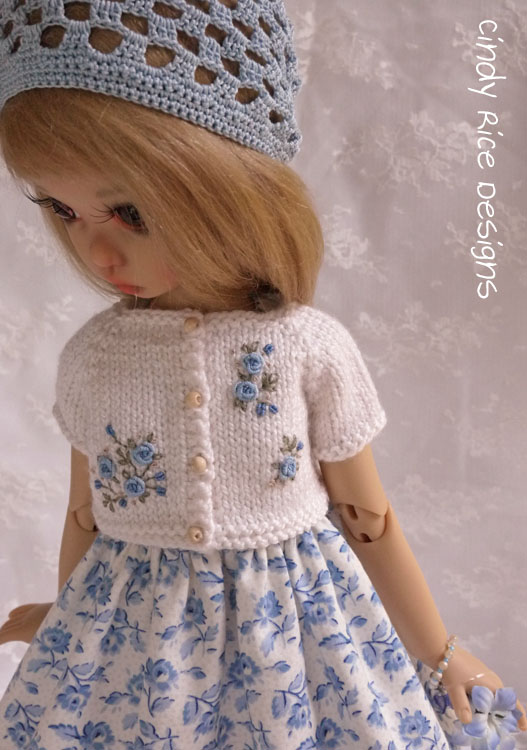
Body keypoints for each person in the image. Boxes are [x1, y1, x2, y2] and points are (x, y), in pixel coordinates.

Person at [0, 1, 525, 747]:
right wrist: (70, 614)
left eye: (130, 213)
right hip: (138, 650)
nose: (99, 255)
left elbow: (367, 520)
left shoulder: (307, 347)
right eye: (62, 209)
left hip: (294, 634)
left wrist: (440, 655)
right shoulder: (93, 358)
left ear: (233, 192)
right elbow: (86, 514)